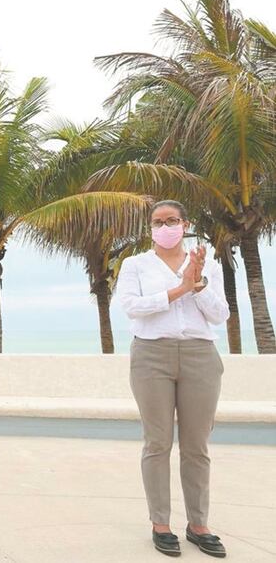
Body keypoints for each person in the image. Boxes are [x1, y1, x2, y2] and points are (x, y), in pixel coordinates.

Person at [115, 200, 230, 558]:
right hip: (151, 356)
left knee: (197, 446)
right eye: (158, 222)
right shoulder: (135, 264)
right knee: (157, 442)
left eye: (172, 220)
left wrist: (197, 284)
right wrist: (179, 289)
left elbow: (220, 314)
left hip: (200, 355)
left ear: (186, 223)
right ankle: (160, 524)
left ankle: (198, 525)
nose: (165, 227)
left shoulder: (206, 263)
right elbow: (132, 307)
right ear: (150, 228)